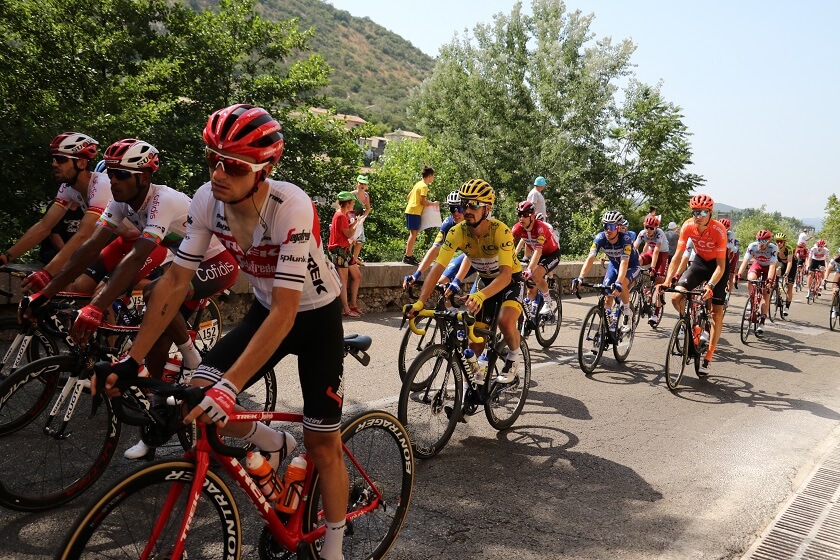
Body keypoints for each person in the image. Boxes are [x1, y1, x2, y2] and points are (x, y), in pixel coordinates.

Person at [90, 104, 348, 560]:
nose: (218, 173)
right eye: (212, 159)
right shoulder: (207, 200)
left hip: (314, 318)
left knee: (323, 445)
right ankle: (272, 442)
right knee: (196, 396)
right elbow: (173, 282)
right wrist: (131, 359)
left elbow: (289, 312)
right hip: (264, 310)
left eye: (232, 165)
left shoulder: (292, 205)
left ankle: (334, 547)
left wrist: (231, 386)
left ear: (264, 169)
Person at [20, 138, 239, 459]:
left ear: (144, 177)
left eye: (122, 174)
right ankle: (154, 425)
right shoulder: (120, 204)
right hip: (181, 263)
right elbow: (89, 248)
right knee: (155, 341)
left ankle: (193, 360)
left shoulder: (162, 199)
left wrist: (95, 307)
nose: (113, 181)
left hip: (216, 262)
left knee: (154, 292)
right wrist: (46, 290)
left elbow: (137, 258)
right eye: (109, 173)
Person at [406, 178, 524, 383]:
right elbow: (438, 268)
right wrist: (420, 302)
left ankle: (514, 358)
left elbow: (505, 275)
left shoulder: (500, 231)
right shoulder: (457, 231)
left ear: (486, 209)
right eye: (464, 204)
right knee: (475, 343)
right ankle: (475, 385)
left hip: (510, 282)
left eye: (473, 204)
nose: (467, 209)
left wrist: (479, 295)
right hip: (486, 281)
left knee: (505, 321)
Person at [0, 132, 110, 293]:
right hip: (115, 243)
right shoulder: (68, 188)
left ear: (81, 162)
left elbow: (83, 235)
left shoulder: (101, 185)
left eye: (61, 159)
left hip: (139, 243)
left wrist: (46, 272)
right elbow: (44, 226)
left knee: (86, 289)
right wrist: (5, 257)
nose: (54, 164)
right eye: (54, 159)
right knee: (71, 288)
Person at [662, 194, 728, 373]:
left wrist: (711, 286)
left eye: (703, 212)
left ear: (710, 213)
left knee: (716, 313)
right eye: (695, 212)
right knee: (676, 297)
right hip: (699, 262)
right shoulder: (688, 225)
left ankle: (709, 354)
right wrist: (668, 279)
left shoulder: (719, 230)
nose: (698, 215)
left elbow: (721, 267)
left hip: (717, 266)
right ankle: (688, 324)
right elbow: (677, 255)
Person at [572, 210, 641, 333]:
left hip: (632, 266)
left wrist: (619, 282)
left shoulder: (626, 240)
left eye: (612, 226)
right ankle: (610, 321)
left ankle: (627, 312)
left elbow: (624, 263)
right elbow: (591, 258)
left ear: (619, 228)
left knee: (623, 283)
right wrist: (580, 277)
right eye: (605, 226)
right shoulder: (600, 237)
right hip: (614, 265)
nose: (608, 230)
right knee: (607, 295)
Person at [403, 190, 465, 289]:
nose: (456, 213)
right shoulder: (449, 224)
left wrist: (457, 280)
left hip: (485, 258)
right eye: (453, 209)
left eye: (459, 209)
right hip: (468, 256)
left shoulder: (474, 223)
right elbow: (435, 250)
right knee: (441, 283)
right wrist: (416, 274)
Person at [512, 200, 560, 315]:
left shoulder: (540, 228)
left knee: (535, 274)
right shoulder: (518, 228)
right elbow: (507, 246)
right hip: (539, 254)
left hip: (552, 254)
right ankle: (532, 311)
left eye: (524, 215)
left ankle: (548, 302)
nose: (521, 218)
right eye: (519, 215)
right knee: (530, 287)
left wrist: (529, 269)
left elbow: (538, 251)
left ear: (532, 216)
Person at [735, 230, 778, 334]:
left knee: (765, 294)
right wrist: (739, 274)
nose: (760, 243)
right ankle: (752, 299)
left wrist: (770, 280)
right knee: (751, 278)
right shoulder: (752, 246)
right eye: (759, 240)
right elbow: (745, 261)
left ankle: (762, 322)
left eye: (763, 241)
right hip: (757, 265)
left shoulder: (773, 248)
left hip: (768, 268)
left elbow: (772, 266)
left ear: (768, 241)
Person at [329, 191, 363, 317]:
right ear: (348, 203)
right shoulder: (340, 216)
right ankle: (346, 309)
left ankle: (353, 304)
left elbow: (345, 230)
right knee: (343, 279)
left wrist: (355, 223)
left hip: (344, 248)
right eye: (353, 202)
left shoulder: (341, 214)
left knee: (357, 275)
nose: (354, 204)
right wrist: (357, 225)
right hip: (338, 249)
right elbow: (348, 234)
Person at [634, 215, 669, 325]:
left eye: (651, 228)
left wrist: (653, 267)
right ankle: (643, 287)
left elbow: (657, 250)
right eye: (647, 227)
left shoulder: (659, 233)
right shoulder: (642, 233)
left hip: (662, 255)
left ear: (656, 228)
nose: (648, 230)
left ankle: (656, 314)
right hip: (651, 252)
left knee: (659, 283)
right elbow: (635, 247)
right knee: (638, 259)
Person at [403, 166, 436, 265]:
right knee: (413, 234)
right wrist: (433, 204)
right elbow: (423, 202)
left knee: (413, 234)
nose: (433, 178)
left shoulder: (418, 184)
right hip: (414, 212)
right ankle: (408, 256)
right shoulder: (424, 187)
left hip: (411, 210)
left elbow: (409, 196)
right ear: (429, 176)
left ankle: (409, 255)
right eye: (433, 176)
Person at [350, 174, 371, 265]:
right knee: (350, 240)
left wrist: (364, 216)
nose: (362, 185)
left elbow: (368, 208)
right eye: (361, 183)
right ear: (357, 184)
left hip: (360, 220)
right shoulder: (352, 195)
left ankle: (354, 258)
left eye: (364, 184)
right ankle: (348, 258)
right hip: (350, 220)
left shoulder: (366, 196)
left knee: (360, 240)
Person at [773, 232, 795, 316]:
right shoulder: (775, 249)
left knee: (789, 286)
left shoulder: (788, 248)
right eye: (777, 241)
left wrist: (786, 274)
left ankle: (787, 308)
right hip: (782, 263)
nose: (779, 243)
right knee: (777, 271)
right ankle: (776, 288)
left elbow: (790, 262)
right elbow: (773, 261)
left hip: (792, 265)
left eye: (781, 241)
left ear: (784, 242)